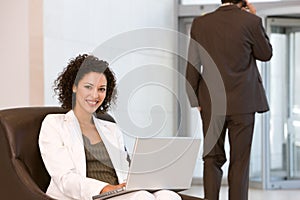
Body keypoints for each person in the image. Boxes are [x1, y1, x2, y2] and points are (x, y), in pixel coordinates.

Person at [39, 54, 181, 200]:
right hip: (89, 196)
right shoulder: (54, 124)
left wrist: (138, 182)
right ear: (74, 86)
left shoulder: (111, 129)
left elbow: (124, 172)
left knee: (169, 196)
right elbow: (65, 179)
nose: (95, 95)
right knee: (142, 197)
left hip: (117, 193)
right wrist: (106, 188)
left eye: (101, 89)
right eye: (88, 87)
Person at [185, 1, 272, 200]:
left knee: (211, 158)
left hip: (211, 104)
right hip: (244, 103)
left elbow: (193, 64)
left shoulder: (201, 23)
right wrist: (253, 16)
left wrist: (195, 99)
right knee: (240, 162)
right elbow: (265, 54)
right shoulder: (251, 21)